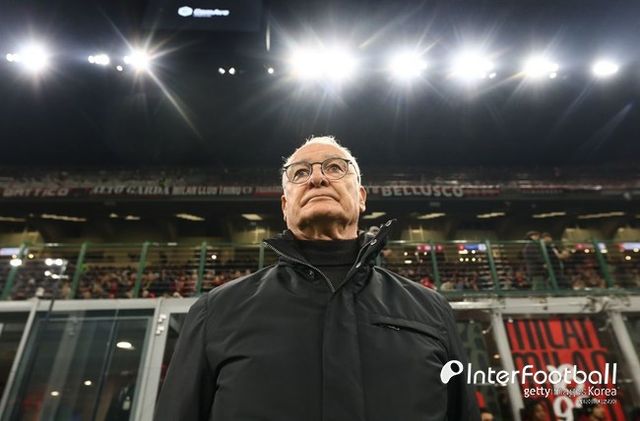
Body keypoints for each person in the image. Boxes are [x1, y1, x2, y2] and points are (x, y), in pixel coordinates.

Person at [154, 136, 480, 421]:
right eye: (300, 173)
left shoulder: (431, 310)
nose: (317, 178)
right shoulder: (216, 311)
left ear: (362, 196)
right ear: (285, 206)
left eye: (335, 167)